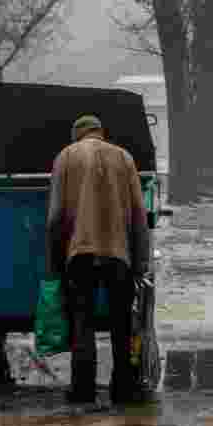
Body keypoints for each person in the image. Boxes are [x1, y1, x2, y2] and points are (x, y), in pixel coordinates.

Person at [46, 114, 150, 404]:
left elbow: (54, 218)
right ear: (101, 133)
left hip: (79, 254)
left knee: (82, 323)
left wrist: (53, 262)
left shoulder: (65, 157)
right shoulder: (124, 158)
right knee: (122, 324)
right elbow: (139, 217)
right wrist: (141, 263)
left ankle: (83, 390)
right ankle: (124, 389)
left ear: (76, 134)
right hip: (118, 255)